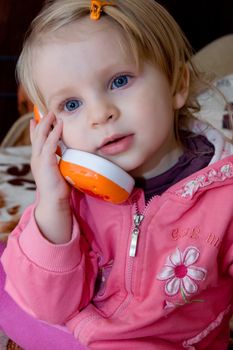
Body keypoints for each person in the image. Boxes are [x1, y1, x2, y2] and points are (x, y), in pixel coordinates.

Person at [1, 0, 233, 349]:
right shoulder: (69, 193)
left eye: (120, 80)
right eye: (71, 105)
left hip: (164, 343)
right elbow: (50, 307)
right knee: (13, 270)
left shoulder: (224, 197)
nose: (100, 113)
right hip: (73, 331)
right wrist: (52, 204)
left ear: (177, 84)